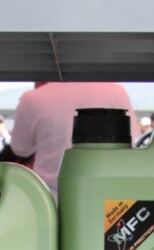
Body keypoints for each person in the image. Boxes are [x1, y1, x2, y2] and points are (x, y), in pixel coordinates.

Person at [9, 81, 137, 199]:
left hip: (50, 199)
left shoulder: (33, 98)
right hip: (108, 198)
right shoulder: (116, 91)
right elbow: (135, 142)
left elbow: (21, 149)